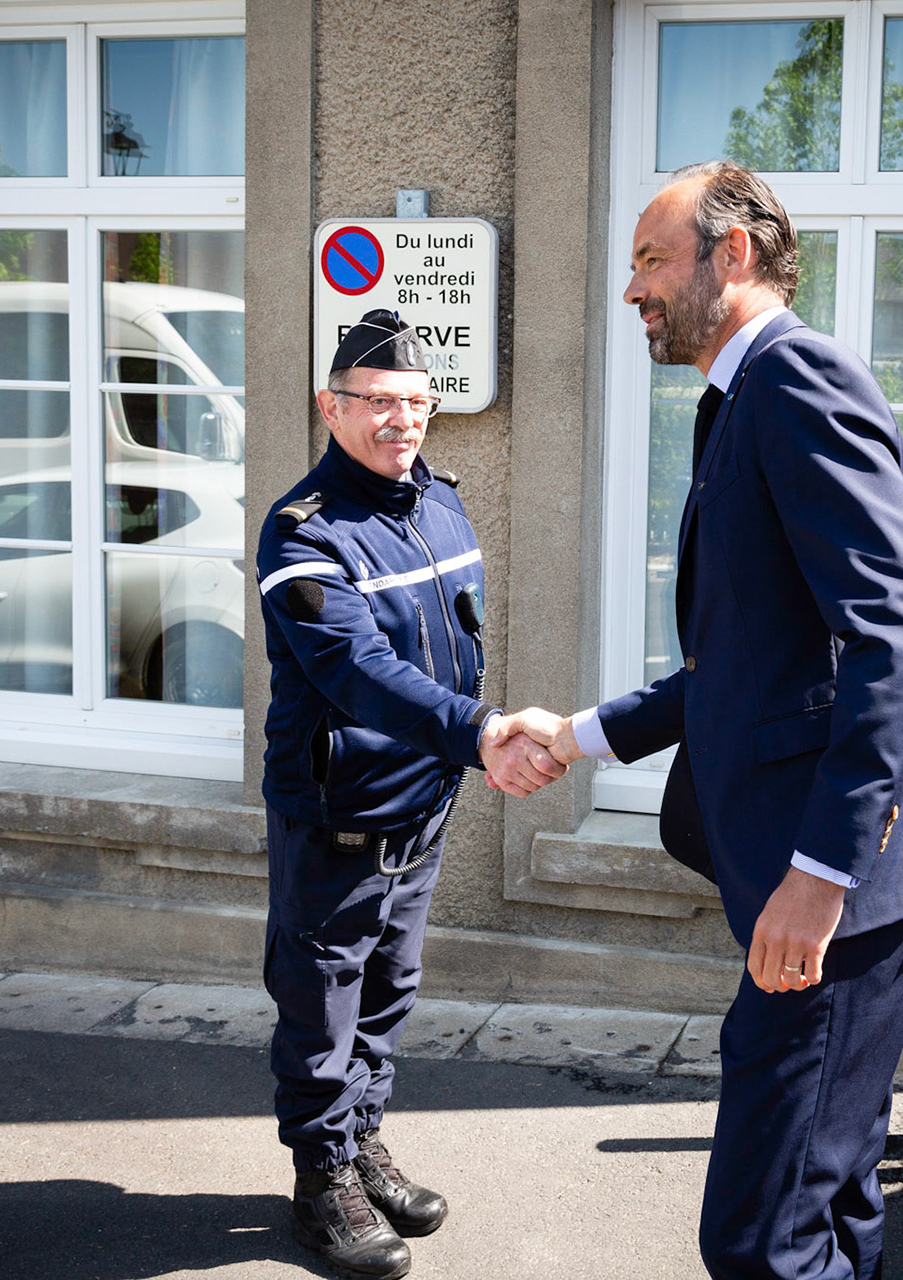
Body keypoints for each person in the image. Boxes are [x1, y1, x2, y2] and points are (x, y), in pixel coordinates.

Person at [499, 161, 903, 1280]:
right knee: (831, 1183)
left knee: (763, 1232)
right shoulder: (740, 399)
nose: (632, 289)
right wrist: (574, 734)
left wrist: (822, 872)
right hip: (835, 873)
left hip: (843, 885)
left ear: (735, 254)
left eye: (649, 259)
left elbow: (895, 632)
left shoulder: (796, 380)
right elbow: (744, 665)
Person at [255, 309, 562, 1279]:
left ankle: (363, 1141)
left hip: (423, 803)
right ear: (330, 404)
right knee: (322, 997)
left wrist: (457, 748)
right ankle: (321, 1178)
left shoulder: (442, 504)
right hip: (338, 811)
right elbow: (360, 671)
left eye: (417, 403)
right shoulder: (304, 533)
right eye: (379, 401)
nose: (402, 420)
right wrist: (480, 732)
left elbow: (457, 640)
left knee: (390, 986)